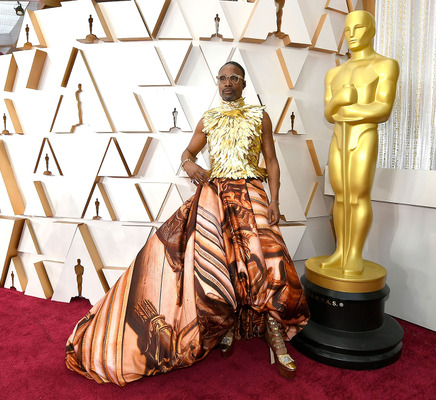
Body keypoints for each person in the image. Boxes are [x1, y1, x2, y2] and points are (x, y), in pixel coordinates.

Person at [65, 61, 310, 386]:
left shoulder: (259, 115)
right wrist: (188, 164)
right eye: (222, 78)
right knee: (222, 264)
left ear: (243, 83)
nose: (227, 83)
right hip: (216, 196)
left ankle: (275, 333)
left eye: (233, 78)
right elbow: (188, 152)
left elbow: (272, 161)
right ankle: (226, 325)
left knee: (268, 260)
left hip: (251, 193)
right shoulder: (208, 118)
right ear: (217, 83)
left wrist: (275, 201)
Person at [315, 10, 399, 275]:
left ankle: (354, 255)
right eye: (348, 30)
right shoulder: (334, 73)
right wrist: (340, 101)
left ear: (371, 30)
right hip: (339, 138)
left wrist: (345, 109)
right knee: (341, 197)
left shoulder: (385, 65)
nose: (351, 35)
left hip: (364, 136)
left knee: (359, 195)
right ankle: (341, 251)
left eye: (359, 28)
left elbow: (383, 109)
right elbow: (329, 113)